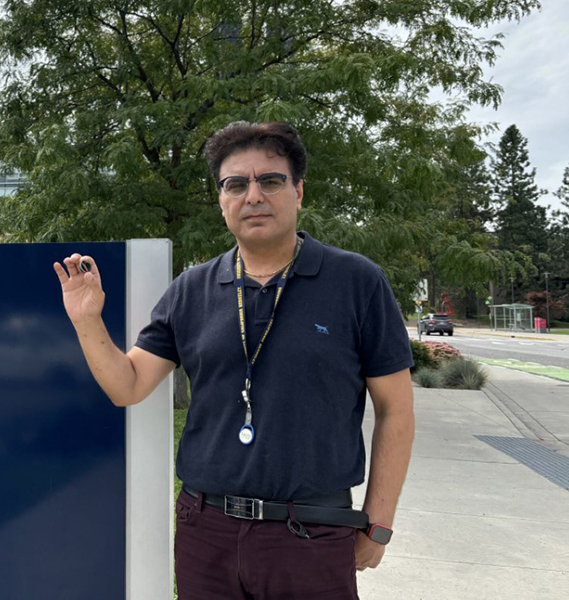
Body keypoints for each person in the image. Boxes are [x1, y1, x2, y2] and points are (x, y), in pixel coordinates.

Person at [53, 121, 415, 599]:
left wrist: (380, 523)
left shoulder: (356, 282)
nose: (254, 195)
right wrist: (86, 320)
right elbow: (129, 385)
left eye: (270, 180)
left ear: (298, 191)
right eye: (236, 184)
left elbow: (396, 411)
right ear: (220, 200)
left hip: (312, 532)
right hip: (208, 533)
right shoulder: (191, 289)